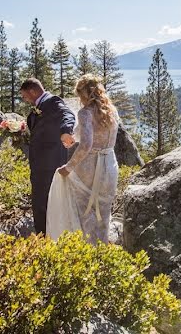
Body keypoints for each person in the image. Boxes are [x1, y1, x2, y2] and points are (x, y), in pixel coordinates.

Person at [47, 74, 120, 244]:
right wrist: (73, 137)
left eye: (79, 94)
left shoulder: (85, 113)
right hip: (110, 163)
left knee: (85, 213)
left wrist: (69, 167)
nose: (79, 99)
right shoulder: (112, 111)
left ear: (84, 94)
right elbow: (95, 134)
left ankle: (88, 254)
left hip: (90, 167)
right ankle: (103, 252)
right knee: (104, 212)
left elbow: (87, 145)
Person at [19, 78, 75, 236]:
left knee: (46, 203)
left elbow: (68, 114)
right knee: (39, 202)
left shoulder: (53, 102)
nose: (25, 100)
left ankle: (47, 237)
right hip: (39, 164)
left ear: (33, 91)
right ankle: (43, 237)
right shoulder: (38, 107)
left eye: (25, 96)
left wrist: (66, 131)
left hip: (51, 163)